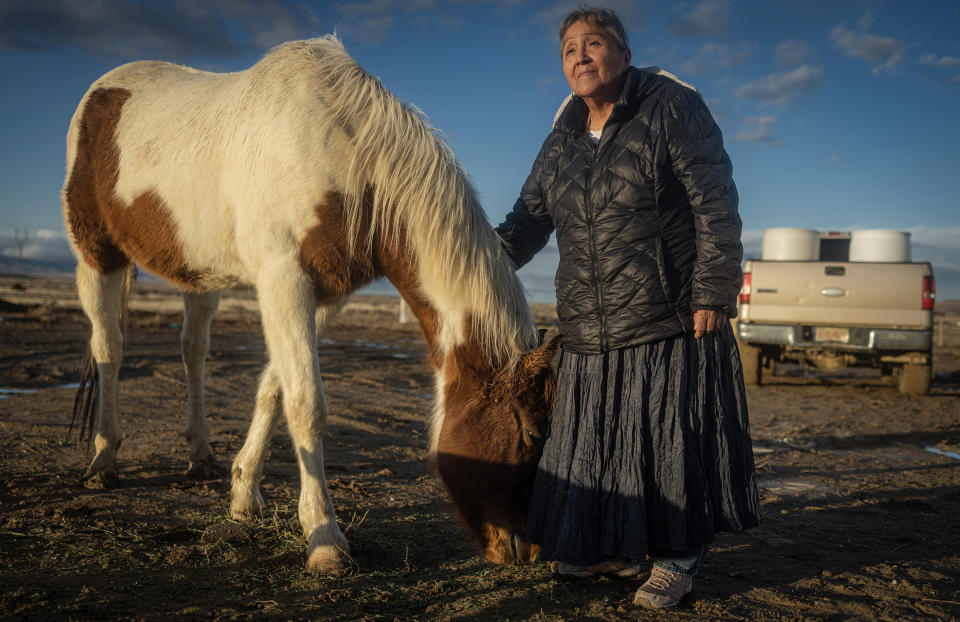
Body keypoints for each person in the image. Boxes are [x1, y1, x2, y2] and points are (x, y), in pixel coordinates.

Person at [495, 6, 762, 609]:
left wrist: (714, 290)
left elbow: (716, 203)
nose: (580, 57)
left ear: (623, 52)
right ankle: (612, 550)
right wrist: (466, 261)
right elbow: (526, 222)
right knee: (603, 447)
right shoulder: (562, 135)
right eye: (569, 49)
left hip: (667, 314)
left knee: (672, 446)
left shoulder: (670, 107)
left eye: (594, 44)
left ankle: (676, 561)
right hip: (590, 323)